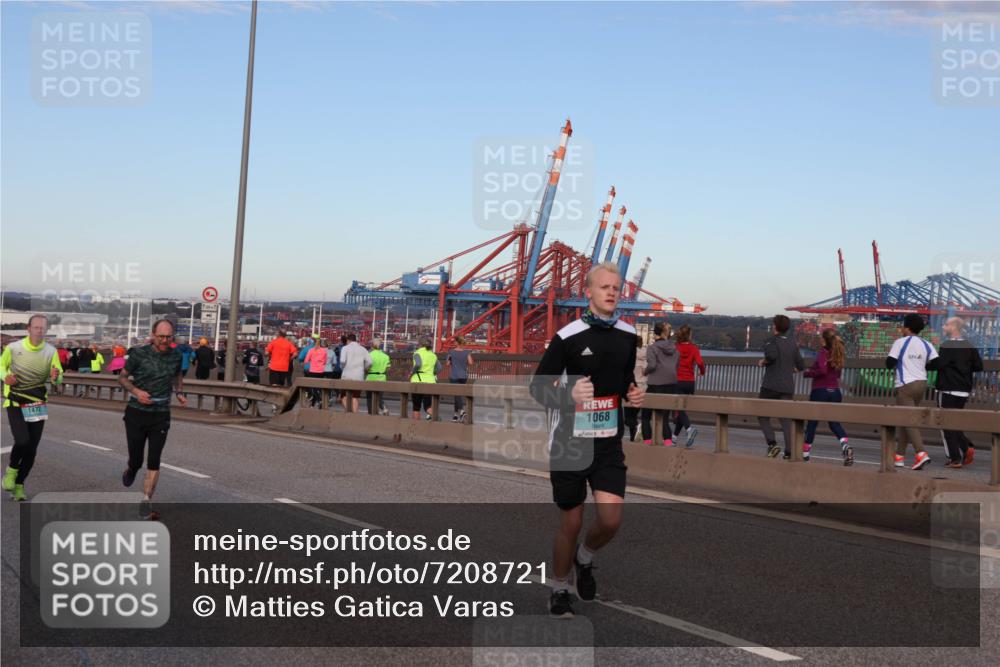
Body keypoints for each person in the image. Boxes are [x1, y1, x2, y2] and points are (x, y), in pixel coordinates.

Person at [529, 261, 644, 618]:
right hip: (570, 441)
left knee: (610, 520)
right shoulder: (568, 336)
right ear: (589, 292)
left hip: (608, 440)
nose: (612, 292)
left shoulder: (629, 335)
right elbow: (538, 387)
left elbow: (625, 380)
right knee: (572, 522)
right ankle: (560, 588)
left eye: (616, 287)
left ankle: (585, 558)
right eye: (605, 287)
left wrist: (632, 393)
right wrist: (568, 394)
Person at [117, 319, 186, 520]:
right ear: (153, 335)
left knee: (154, 460)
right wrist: (136, 391)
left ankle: (146, 503)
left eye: (168, 337)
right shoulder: (139, 354)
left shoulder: (176, 355)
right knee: (137, 460)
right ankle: (131, 469)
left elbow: (177, 376)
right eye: (161, 336)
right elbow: (121, 378)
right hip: (136, 413)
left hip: (161, 414)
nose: (165, 340)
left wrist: (180, 392)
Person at [2, 315, 63, 501]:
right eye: (36, 327)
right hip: (15, 401)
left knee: (32, 449)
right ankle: (11, 472)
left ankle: (19, 486)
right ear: (28, 328)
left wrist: (55, 376)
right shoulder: (13, 348)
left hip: (37, 403)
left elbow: (58, 379)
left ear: (46, 330)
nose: (39, 331)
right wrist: (5, 377)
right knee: (22, 441)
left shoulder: (51, 351)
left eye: (43, 328)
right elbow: (1, 367)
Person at [886, 313, 939, 470]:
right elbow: (937, 363)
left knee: (909, 420)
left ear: (907, 328)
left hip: (905, 385)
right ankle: (899, 457)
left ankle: (921, 453)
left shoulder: (900, 342)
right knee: (906, 420)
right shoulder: (926, 344)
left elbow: (889, 363)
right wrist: (922, 366)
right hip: (921, 384)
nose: (901, 328)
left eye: (903, 325)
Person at [935, 317, 982, 468]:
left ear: (954, 327)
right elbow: (978, 366)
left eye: (946, 325)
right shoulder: (969, 346)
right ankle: (966, 447)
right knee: (955, 421)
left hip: (948, 389)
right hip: (963, 390)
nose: (943, 327)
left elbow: (939, 364)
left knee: (945, 423)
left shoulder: (947, 345)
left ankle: (954, 458)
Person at [757, 315, 805, 459]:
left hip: (770, 385)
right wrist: (791, 369)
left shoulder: (771, 341)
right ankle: (789, 451)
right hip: (787, 386)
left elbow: (771, 356)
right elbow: (801, 365)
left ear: (775, 327)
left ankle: (772, 444)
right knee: (785, 419)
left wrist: (763, 362)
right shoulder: (792, 343)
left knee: (762, 415)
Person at [802, 328, 852, 465]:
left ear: (824, 340)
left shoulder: (823, 352)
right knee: (834, 423)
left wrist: (808, 373)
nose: (819, 339)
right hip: (835, 391)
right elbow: (837, 375)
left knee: (812, 423)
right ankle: (845, 446)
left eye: (820, 337)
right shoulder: (838, 354)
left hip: (820, 391)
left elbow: (823, 371)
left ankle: (805, 454)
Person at [641, 322, 677, 446]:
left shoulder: (652, 348)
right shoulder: (674, 347)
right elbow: (676, 364)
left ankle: (647, 441)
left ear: (655, 333)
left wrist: (645, 372)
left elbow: (652, 365)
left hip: (655, 383)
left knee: (645, 415)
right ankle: (667, 441)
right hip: (671, 383)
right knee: (665, 416)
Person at [673, 324, 705, 447]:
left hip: (677, 380)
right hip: (689, 382)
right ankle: (674, 437)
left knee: (679, 409)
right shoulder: (694, 348)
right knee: (682, 409)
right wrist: (702, 372)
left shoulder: (676, 347)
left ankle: (689, 429)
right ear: (689, 335)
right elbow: (700, 362)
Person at [340, 333, 372, 413]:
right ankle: (355, 415)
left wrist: (343, 368)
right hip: (359, 376)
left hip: (346, 376)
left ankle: (348, 411)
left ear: (348, 340)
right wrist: (364, 368)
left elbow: (342, 361)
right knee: (355, 397)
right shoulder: (363, 349)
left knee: (343, 396)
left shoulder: (345, 348)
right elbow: (370, 362)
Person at [409, 337, 440, 420]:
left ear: (420, 344)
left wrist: (412, 372)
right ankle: (436, 416)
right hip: (430, 381)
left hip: (418, 381)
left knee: (416, 407)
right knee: (427, 406)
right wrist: (431, 374)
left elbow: (418, 364)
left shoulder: (417, 353)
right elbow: (439, 368)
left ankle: (416, 428)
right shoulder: (433, 355)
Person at [446, 336, 474, 422]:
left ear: (457, 343)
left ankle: (461, 411)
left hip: (454, 376)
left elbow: (447, 364)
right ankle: (455, 415)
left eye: (454, 342)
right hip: (463, 376)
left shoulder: (451, 352)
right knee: (458, 395)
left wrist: (451, 359)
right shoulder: (467, 352)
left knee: (456, 394)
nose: (454, 343)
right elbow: (471, 363)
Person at [624, 336, 646, 442]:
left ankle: (634, 433)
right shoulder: (646, 356)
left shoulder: (629, 355)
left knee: (628, 415)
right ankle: (638, 430)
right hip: (643, 389)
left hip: (632, 388)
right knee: (636, 414)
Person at [366, 338, 391, 415]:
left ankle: (371, 413)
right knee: (379, 397)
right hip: (382, 378)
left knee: (370, 398)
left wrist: (367, 372)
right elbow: (388, 368)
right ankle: (384, 408)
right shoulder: (385, 356)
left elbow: (367, 367)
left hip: (371, 377)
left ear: (372, 345)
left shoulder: (369, 355)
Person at [303, 338, 329, 407]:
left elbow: (306, 361)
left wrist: (311, 361)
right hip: (321, 371)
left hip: (313, 371)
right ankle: (313, 404)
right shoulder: (324, 351)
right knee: (317, 387)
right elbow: (325, 361)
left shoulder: (311, 350)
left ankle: (319, 400)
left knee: (313, 387)